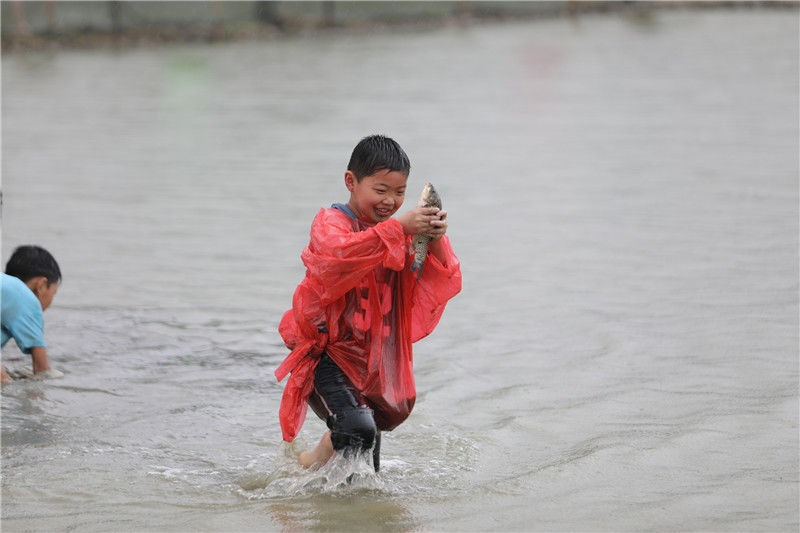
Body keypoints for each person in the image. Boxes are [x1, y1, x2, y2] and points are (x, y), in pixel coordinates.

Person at [275, 135, 462, 471]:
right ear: (351, 181)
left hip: (370, 357)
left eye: (400, 192)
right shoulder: (331, 222)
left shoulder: (399, 233)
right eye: (381, 190)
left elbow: (436, 276)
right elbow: (338, 255)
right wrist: (398, 227)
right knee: (358, 427)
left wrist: (434, 239)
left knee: (366, 461)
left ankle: (323, 482)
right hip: (328, 353)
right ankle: (309, 460)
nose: (391, 201)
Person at [1, 245, 62, 382]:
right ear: (41, 285)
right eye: (53, 293)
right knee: (6, 381)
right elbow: (42, 370)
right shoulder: (26, 298)